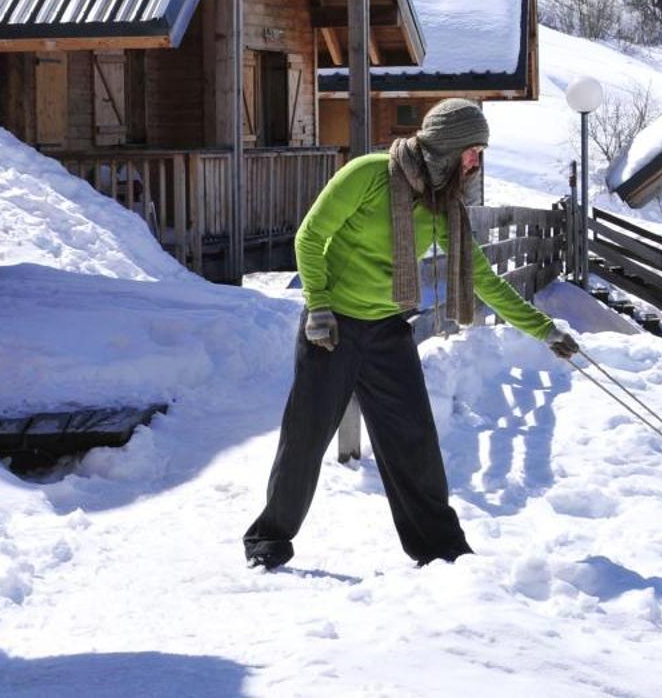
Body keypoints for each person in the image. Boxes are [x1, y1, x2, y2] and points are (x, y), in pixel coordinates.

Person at [243, 98, 577, 571]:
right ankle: (268, 539)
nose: (476, 163)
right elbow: (310, 236)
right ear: (447, 148)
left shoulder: (442, 207)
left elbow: (481, 277)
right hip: (331, 326)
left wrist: (545, 330)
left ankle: (440, 549)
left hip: (386, 332)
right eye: (472, 152)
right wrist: (317, 304)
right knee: (305, 437)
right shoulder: (368, 174)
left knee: (414, 442)